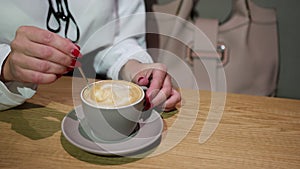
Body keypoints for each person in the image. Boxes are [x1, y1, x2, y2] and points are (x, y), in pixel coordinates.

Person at [0, 0, 181, 111]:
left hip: (95, 86)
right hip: (19, 107)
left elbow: (118, 35)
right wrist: (6, 67)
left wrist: (134, 66)